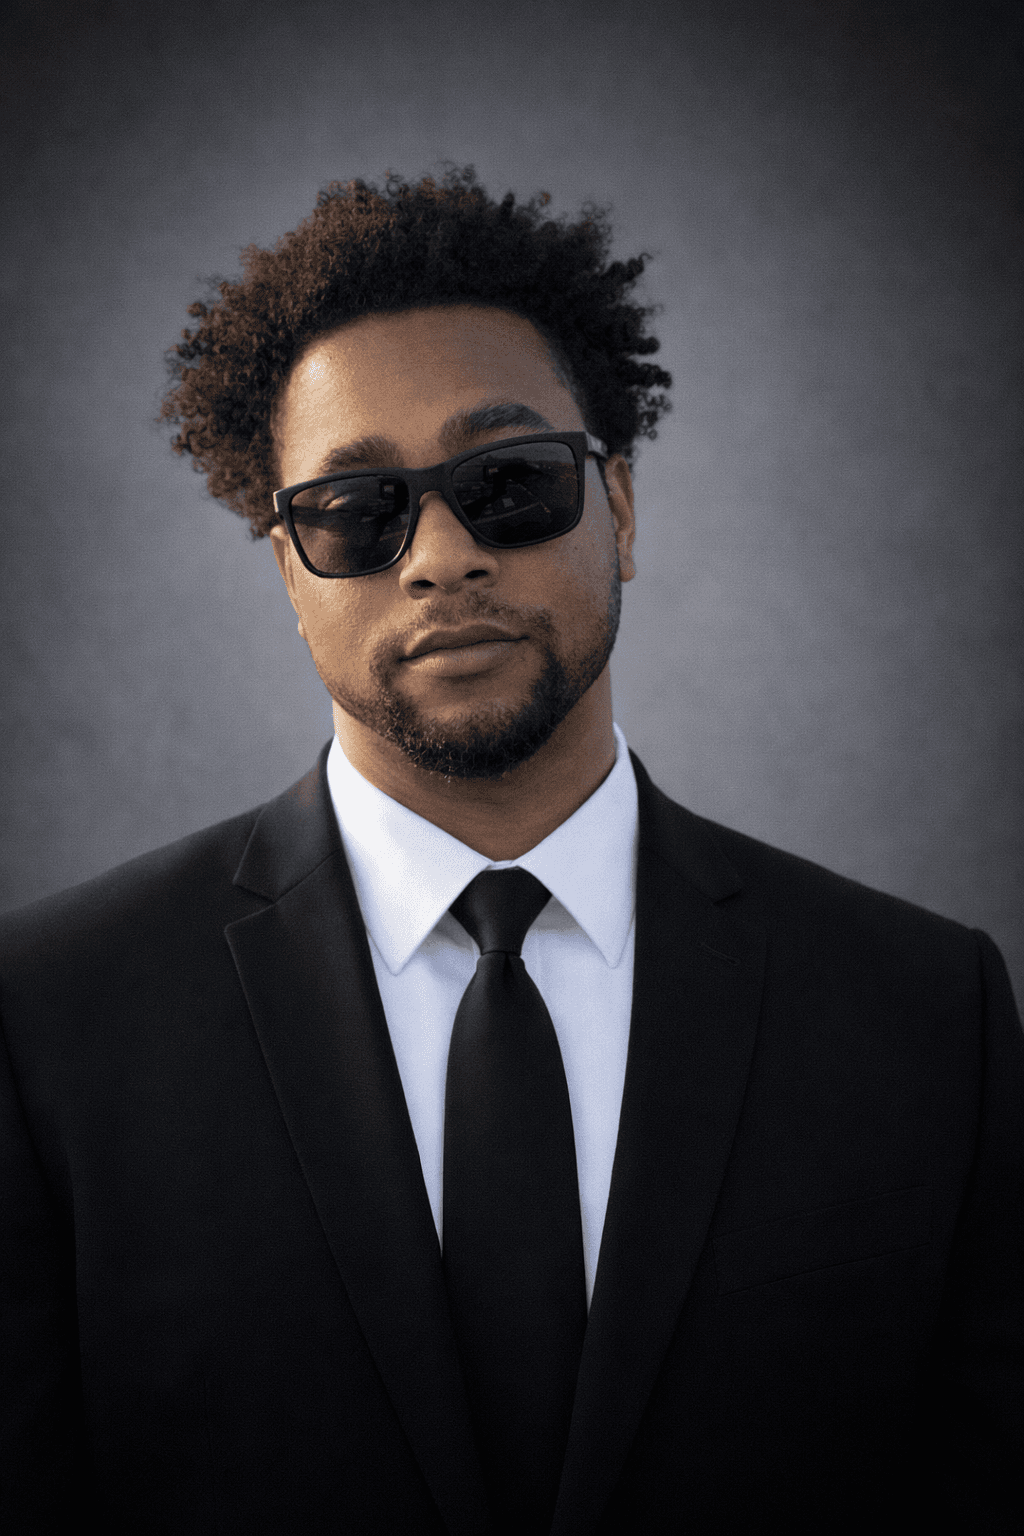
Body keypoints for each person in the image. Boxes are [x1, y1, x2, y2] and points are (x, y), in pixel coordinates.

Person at [1, 167, 1020, 1536]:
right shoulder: (51, 1026)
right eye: (355, 510)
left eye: (511, 482)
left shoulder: (927, 1015)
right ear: (290, 570)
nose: (440, 557)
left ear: (623, 512)